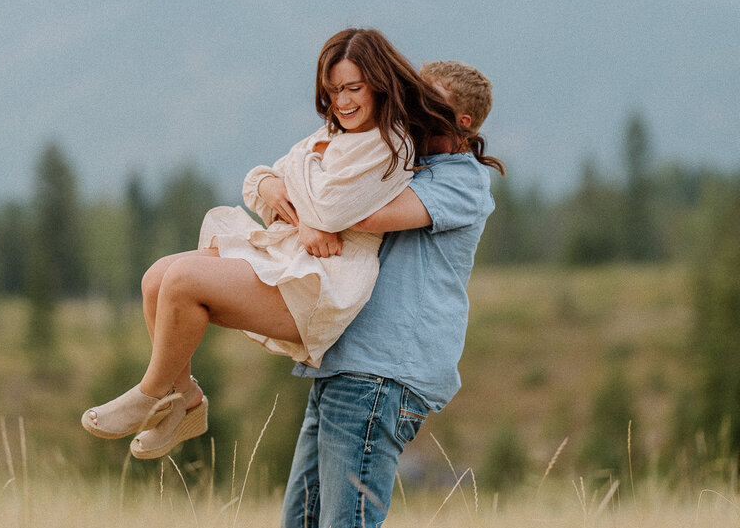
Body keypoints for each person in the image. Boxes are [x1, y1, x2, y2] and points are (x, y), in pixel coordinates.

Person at [81, 28, 462, 460]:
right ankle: (184, 401)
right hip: (292, 251)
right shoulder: (337, 132)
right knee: (157, 278)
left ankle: (150, 393)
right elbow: (259, 182)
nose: (343, 101)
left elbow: (329, 208)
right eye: (334, 90)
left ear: (379, 83)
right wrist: (280, 187)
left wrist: (292, 179)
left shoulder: (389, 142)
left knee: (184, 280)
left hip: (324, 278)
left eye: (353, 88)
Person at [279, 60, 504, 528]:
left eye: (421, 100)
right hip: (345, 364)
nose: (403, 107)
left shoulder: (459, 181)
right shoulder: (394, 163)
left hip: (386, 371)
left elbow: (349, 211)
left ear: (459, 122)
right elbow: (292, 182)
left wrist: (302, 206)